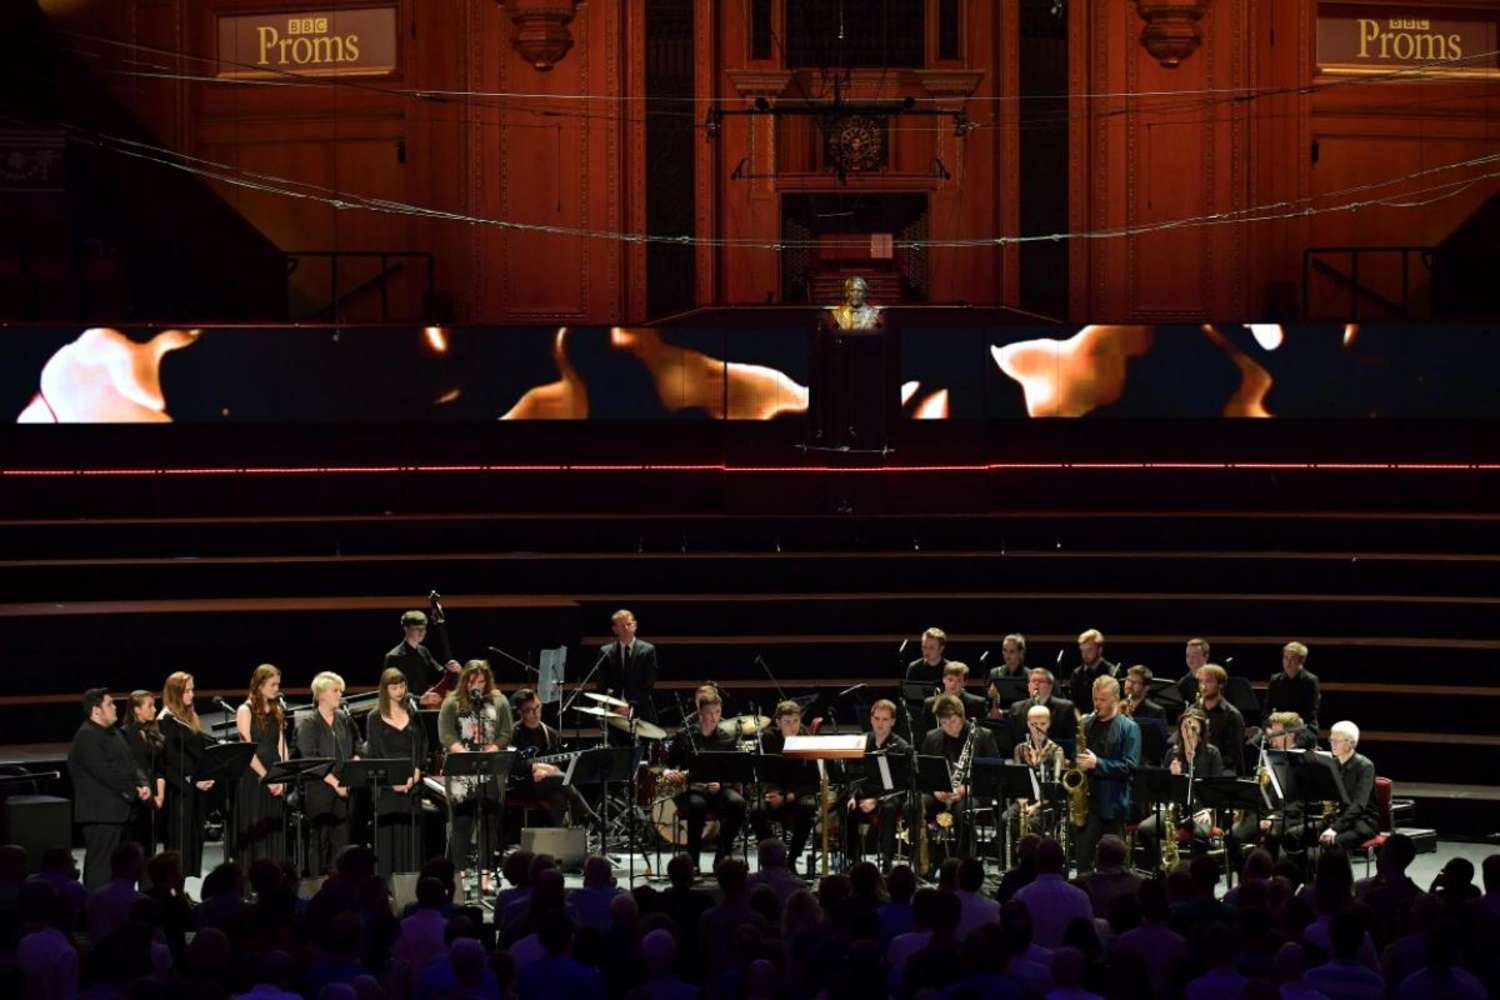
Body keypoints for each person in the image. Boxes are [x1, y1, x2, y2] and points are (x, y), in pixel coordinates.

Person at [66, 687, 150, 889]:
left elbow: (132, 763)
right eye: (110, 704)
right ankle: (95, 909)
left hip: (122, 812)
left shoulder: (114, 733)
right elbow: (107, 774)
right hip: (101, 815)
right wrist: (134, 790)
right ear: (96, 711)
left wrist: (144, 784)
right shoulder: (86, 736)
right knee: (101, 868)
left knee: (124, 868)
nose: (115, 708)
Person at [438, 660, 514, 874]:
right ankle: (459, 874)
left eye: (481, 682)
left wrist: (493, 748)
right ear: (465, 682)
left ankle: (485, 873)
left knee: (489, 824)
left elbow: (506, 732)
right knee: (461, 824)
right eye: (472, 682)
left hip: (490, 771)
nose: (477, 686)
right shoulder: (452, 702)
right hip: (461, 772)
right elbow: (446, 734)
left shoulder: (499, 701)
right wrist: (464, 755)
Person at [663, 687, 746, 873]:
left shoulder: (727, 738)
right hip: (690, 790)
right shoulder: (684, 736)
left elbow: (733, 772)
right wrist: (669, 772)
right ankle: (693, 861)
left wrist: (721, 784)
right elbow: (667, 765)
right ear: (700, 713)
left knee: (738, 804)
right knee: (697, 806)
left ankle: (721, 858)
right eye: (710, 713)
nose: (715, 717)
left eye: (718, 712)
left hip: (717, 788)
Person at [1135, 708, 1223, 867]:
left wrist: (1208, 809)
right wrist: (1173, 777)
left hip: (1201, 811)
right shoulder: (1172, 754)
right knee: (1144, 829)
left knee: (1200, 833)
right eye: (1185, 727)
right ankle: (1161, 867)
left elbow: (1217, 790)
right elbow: (1165, 792)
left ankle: (1195, 873)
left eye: (1193, 728)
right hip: (1175, 811)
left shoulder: (1212, 753)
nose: (1189, 732)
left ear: (1201, 730)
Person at [295, 671, 363, 874]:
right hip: (320, 790)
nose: (339, 694)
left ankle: (340, 883)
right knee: (320, 841)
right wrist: (335, 783)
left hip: (345, 788)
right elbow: (310, 758)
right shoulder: (309, 724)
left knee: (342, 843)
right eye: (335, 691)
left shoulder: (344, 719)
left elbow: (358, 745)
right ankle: (317, 885)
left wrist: (354, 765)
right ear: (322, 694)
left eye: (340, 691)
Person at [1072, 675, 1141, 874]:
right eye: (1095, 699)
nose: (1097, 704)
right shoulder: (1086, 724)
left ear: (1115, 699)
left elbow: (1130, 767)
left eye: (1102, 700)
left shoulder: (1129, 728)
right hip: (1087, 805)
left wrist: (1097, 764)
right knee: (1083, 864)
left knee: (1116, 866)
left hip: (1113, 805)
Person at [919, 694, 1000, 858]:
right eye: (943, 722)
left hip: (972, 793)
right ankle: (930, 859)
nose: (948, 726)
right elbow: (923, 773)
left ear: (962, 717)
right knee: (913, 806)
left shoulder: (983, 736)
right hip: (940, 794)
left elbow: (993, 775)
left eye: (953, 721)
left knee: (962, 810)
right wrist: (935, 790)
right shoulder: (932, 737)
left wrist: (965, 789)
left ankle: (963, 861)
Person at [365, 667, 428, 876]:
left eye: (402, 686)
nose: (400, 691)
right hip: (387, 787)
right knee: (387, 839)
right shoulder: (374, 717)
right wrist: (392, 781)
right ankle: (386, 888)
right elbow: (374, 753)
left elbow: (423, 744)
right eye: (394, 687)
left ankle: (409, 884)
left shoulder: (413, 713)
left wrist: (417, 770)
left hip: (412, 785)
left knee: (411, 837)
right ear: (385, 689)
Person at [509, 687, 600, 829]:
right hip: (522, 783)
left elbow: (557, 765)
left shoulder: (550, 734)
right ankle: (589, 816)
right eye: (529, 710)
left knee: (559, 796)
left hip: (547, 780)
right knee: (561, 778)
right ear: (520, 712)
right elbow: (512, 764)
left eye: (537, 707)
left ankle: (556, 838)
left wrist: (546, 771)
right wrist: (534, 768)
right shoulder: (513, 733)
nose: (535, 713)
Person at [158, 671, 216, 878]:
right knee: (179, 844)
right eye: (187, 690)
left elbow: (198, 750)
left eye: (192, 689)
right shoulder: (166, 720)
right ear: (176, 693)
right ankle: (173, 888)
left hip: (195, 789)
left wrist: (206, 775)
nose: (192, 694)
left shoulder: (188, 718)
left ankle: (183, 889)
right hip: (179, 792)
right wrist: (193, 782)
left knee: (193, 842)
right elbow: (170, 763)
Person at [749, 701, 819, 873]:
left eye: (796, 721)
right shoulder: (768, 739)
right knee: (756, 811)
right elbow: (762, 774)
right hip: (775, 792)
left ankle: (792, 859)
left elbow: (813, 781)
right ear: (778, 722)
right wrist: (772, 793)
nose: (793, 726)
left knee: (808, 807)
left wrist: (789, 795)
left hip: (797, 794)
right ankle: (774, 857)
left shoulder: (806, 739)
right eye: (787, 722)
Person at [234, 664, 288, 866]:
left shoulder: (276, 709)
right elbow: (247, 749)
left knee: (273, 828)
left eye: (278, 684)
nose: (277, 688)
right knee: (256, 826)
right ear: (260, 684)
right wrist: (267, 777)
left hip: (275, 775)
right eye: (273, 684)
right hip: (254, 777)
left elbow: (281, 744)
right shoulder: (245, 710)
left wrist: (283, 776)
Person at [845, 699, 908, 868]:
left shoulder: (901, 747)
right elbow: (852, 775)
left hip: (891, 794)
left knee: (889, 808)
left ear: (893, 722)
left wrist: (876, 801)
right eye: (877, 718)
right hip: (866, 791)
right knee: (848, 805)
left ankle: (886, 862)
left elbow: (902, 786)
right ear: (871, 719)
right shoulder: (862, 741)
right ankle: (853, 859)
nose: (880, 723)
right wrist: (852, 796)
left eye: (885, 719)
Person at [1012, 838, 1092, 950]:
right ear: (1063, 862)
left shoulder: (1021, 897)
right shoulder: (1080, 897)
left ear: (1037, 861)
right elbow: (1088, 940)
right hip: (1068, 964)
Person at [1318, 720, 1377, 851]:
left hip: (1361, 823)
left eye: (1336, 741)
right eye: (1331, 739)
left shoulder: (1365, 766)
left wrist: (1334, 828)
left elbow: (1358, 805)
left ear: (1351, 743)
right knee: (1295, 835)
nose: (1332, 744)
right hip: (1337, 819)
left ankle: (1338, 872)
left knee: (1333, 843)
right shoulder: (1331, 763)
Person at [1011, 703, 1065, 844]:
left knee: (1034, 823)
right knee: (1007, 818)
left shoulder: (1056, 750)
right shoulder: (1020, 749)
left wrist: (1035, 807)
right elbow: (1016, 780)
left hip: (1047, 802)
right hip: (1024, 800)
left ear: (1049, 724)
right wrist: (1023, 805)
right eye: (1034, 723)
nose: (1038, 728)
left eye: (1042, 723)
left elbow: (1055, 786)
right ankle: (1014, 859)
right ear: (1028, 724)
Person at [385, 610, 461, 709]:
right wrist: (419, 699)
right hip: (403, 710)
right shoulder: (393, 657)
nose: (422, 632)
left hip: (423, 709)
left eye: (424, 629)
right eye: (417, 629)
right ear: (406, 629)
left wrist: (455, 670)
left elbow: (440, 675)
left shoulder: (423, 651)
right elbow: (390, 691)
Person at [121, 689, 166, 854]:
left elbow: (161, 769)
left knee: (150, 851)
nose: (155, 710)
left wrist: (160, 796)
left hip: (153, 800)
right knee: (134, 850)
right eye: (150, 706)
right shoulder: (125, 734)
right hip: (136, 799)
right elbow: (128, 767)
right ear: (136, 709)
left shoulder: (153, 734)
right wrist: (142, 790)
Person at [599, 608, 658, 723]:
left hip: (640, 710)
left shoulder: (648, 650)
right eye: (621, 626)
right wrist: (615, 706)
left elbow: (648, 683)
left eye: (629, 624)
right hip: (614, 711)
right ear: (615, 629)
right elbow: (602, 683)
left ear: (635, 626)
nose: (626, 628)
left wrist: (630, 706)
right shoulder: (605, 651)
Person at [1196, 663, 1246, 774]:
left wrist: (1208, 764)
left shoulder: (1232, 716)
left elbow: (1233, 756)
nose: (1203, 686)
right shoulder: (1194, 710)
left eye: (1208, 681)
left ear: (1220, 685)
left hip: (1221, 770)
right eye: (1201, 681)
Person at [1009, 668, 1076, 745]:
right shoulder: (1016, 708)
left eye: (1040, 681)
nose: (1036, 684)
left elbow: (1070, 739)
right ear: (1028, 686)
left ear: (1050, 686)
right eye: (1033, 681)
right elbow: (1013, 738)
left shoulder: (1066, 708)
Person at [1266, 641, 1321, 732]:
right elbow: (1267, 710)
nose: (1288, 662)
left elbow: (1309, 714)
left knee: (1295, 743)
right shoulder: (1275, 680)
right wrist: (1267, 727)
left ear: (1302, 660)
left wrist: (1291, 727)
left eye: (1292, 659)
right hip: (1279, 726)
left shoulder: (1310, 681)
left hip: (1303, 726)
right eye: (1285, 658)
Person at [920, 662, 987, 733]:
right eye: (950, 680)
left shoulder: (977, 704)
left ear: (964, 683)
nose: (953, 684)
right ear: (943, 679)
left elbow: (981, 734)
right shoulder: (930, 704)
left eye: (958, 681)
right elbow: (923, 733)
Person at [1068, 628, 1118, 710]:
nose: (1085, 654)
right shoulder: (1076, 673)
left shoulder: (1111, 672)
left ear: (1100, 650)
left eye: (1089, 650)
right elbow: (1073, 703)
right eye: (1082, 651)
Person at [986, 633, 1030, 717]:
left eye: (1012, 651)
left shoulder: (1029, 674)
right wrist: (991, 695)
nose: (1007, 655)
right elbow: (988, 703)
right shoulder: (995, 673)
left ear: (1021, 652)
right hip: (1001, 718)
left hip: (1022, 716)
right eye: (1005, 650)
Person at [1176, 637, 1212, 706]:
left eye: (1194, 655)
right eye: (1188, 655)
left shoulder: (1216, 680)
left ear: (1206, 657)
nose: (1190, 659)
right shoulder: (1183, 683)